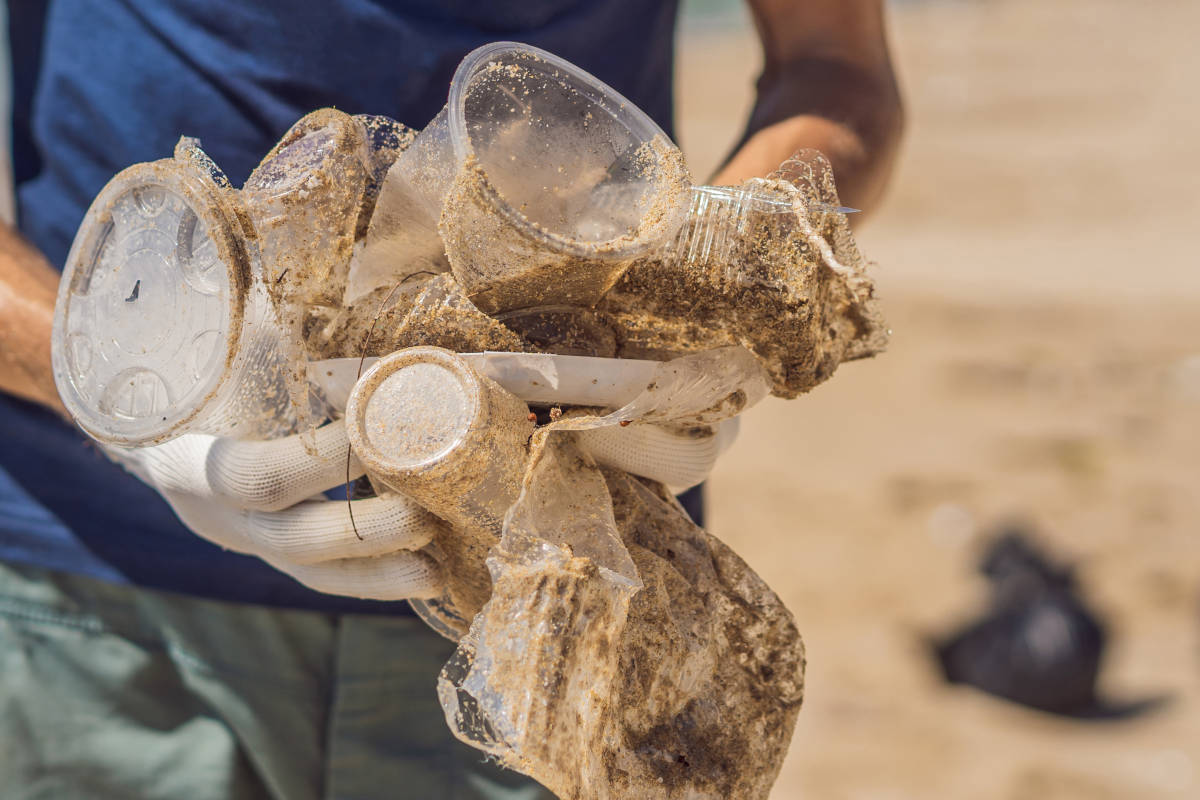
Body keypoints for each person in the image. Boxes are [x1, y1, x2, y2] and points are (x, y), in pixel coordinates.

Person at [0, 1, 902, 797]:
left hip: (560, 586)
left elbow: (835, 63)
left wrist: (714, 287)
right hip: (103, 603)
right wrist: (131, 418)